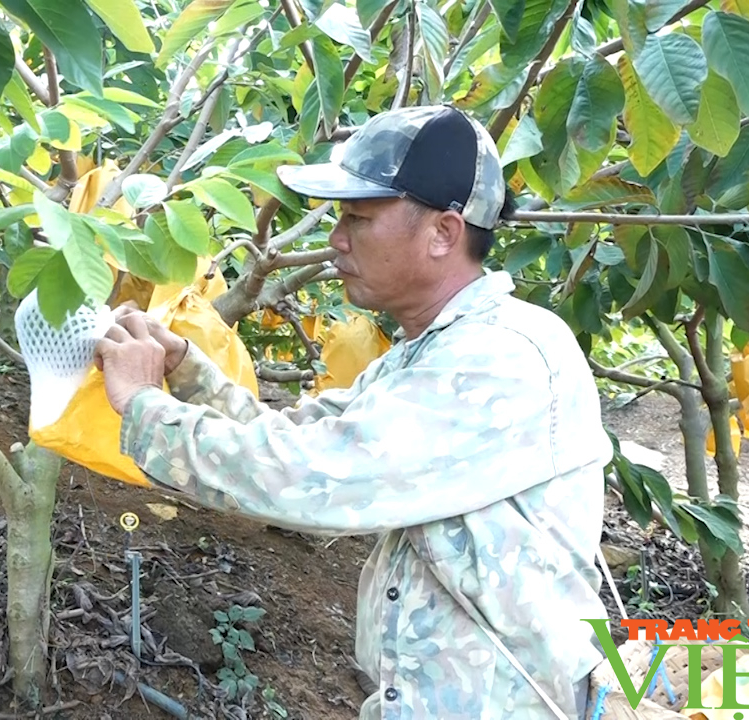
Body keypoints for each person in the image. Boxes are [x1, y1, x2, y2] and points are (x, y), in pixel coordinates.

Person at [93, 105, 614, 719]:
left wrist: (144, 406)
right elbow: (303, 434)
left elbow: (311, 477)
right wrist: (184, 366)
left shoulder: (500, 356)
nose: (336, 240)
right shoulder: (433, 348)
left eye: (357, 219)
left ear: (444, 233)